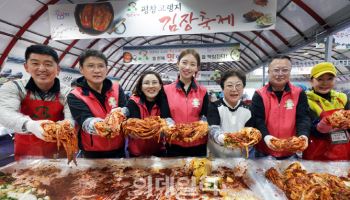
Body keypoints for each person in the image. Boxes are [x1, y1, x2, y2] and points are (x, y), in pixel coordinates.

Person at [0, 44, 74, 160]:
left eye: (48, 64)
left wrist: (67, 126)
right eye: (35, 63)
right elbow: (4, 112)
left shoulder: (68, 92)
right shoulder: (14, 87)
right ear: (26, 67)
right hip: (26, 153)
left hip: (59, 152)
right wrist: (30, 125)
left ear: (58, 69)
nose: (42, 68)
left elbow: (71, 118)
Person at [68, 49, 127, 158]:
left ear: (107, 69)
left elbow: (125, 109)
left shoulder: (117, 88)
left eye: (101, 66)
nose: (97, 70)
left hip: (119, 149)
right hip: (92, 152)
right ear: (81, 69)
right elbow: (84, 120)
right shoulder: (75, 95)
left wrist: (122, 112)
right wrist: (99, 125)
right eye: (91, 66)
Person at [250, 55, 310, 159]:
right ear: (269, 72)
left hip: (290, 150)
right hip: (264, 151)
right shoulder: (259, 94)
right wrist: (267, 137)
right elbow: (257, 120)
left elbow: (303, 118)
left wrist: (303, 135)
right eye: (276, 70)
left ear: (290, 72)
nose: (280, 74)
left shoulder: (299, 93)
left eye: (285, 70)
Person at [163, 49, 209, 157]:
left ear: (197, 68)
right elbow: (165, 115)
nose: (187, 67)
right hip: (174, 144)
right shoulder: (166, 90)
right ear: (178, 64)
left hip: (198, 144)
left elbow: (205, 115)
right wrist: (172, 129)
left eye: (192, 64)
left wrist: (202, 125)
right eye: (184, 63)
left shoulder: (203, 91)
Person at [303, 62, 350, 160]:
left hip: (342, 151)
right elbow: (305, 127)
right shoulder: (306, 100)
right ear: (311, 81)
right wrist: (319, 127)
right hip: (317, 152)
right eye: (320, 79)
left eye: (330, 79)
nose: (325, 83)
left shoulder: (342, 98)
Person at [207, 70, 254, 158]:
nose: (234, 89)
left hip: (240, 157)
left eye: (238, 85)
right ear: (222, 88)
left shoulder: (248, 110)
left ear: (243, 87)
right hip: (217, 156)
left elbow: (250, 134)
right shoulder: (214, 107)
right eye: (229, 85)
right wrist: (223, 138)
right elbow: (213, 130)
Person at [126, 71, 170, 157]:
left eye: (154, 82)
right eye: (146, 83)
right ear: (141, 87)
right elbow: (133, 129)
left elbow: (167, 123)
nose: (151, 86)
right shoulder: (133, 102)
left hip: (159, 152)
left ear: (160, 86)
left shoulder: (165, 101)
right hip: (136, 153)